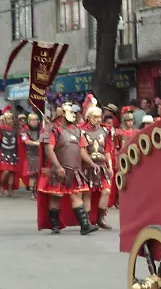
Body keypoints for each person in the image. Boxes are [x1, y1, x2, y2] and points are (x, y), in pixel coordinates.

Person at [37, 101, 98, 235]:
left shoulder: (77, 130)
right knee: (56, 197)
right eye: (71, 112)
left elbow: (82, 150)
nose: (74, 115)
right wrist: (57, 166)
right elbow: (49, 150)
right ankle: (55, 225)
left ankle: (85, 225)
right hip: (59, 169)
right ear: (63, 114)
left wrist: (92, 163)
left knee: (77, 195)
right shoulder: (52, 129)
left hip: (75, 169)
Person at [80, 96, 115, 230]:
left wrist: (110, 166)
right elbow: (81, 150)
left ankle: (100, 219)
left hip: (102, 166)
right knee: (87, 193)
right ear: (89, 117)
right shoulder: (82, 131)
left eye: (99, 117)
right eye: (94, 117)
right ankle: (88, 221)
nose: (98, 119)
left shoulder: (105, 131)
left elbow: (107, 150)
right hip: (87, 166)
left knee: (106, 190)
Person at [0, 111, 21, 197]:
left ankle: (10, 190)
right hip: (4, 152)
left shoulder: (16, 129)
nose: (10, 120)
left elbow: (18, 142)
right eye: (8, 118)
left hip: (13, 152)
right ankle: (1, 187)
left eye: (11, 118)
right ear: (5, 120)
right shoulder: (0, 129)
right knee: (6, 171)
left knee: (12, 172)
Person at [20, 111, 45, 198]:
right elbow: (26, 141)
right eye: (32, 120)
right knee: (32, 175)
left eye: (35, 120)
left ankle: (40, 191)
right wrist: (37, 143)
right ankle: (33, 193)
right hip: (31, 155)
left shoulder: (42, 129)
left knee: (41, 175)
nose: (34, 122)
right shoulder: (24, 130)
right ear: (29, 121)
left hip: (41, 154)